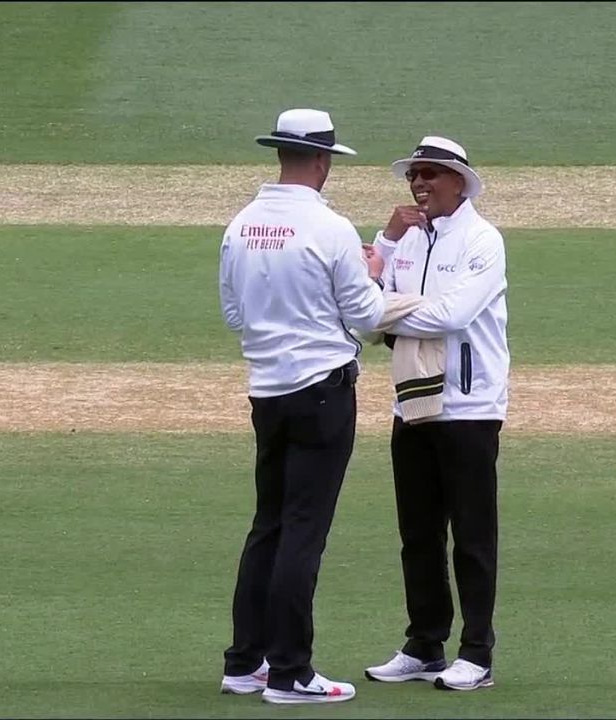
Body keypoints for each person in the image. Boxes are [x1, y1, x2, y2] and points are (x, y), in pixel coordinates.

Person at [217, 108, 385, 705]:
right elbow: (365, 318)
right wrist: (375, 273)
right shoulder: (331, 228)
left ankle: (245, 663)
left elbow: (234, 315)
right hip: (321, 390)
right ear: (322, 161)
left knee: (269, 525)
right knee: (303, 533)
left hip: (266, 391)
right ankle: (290, 673)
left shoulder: (240, 225)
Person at [363, 136, 510, 692]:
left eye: (430, 174)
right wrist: (385, 240)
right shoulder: (405, 241)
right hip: (413, 402)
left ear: (459, 181)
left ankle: (476, 652)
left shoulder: (482, 239)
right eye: (413, 176)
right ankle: (425, 643)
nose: (419, 184)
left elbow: (453, 315)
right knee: (418, 533)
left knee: (472, 535)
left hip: (470, 407)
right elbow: (361, 305)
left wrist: (388, 314)